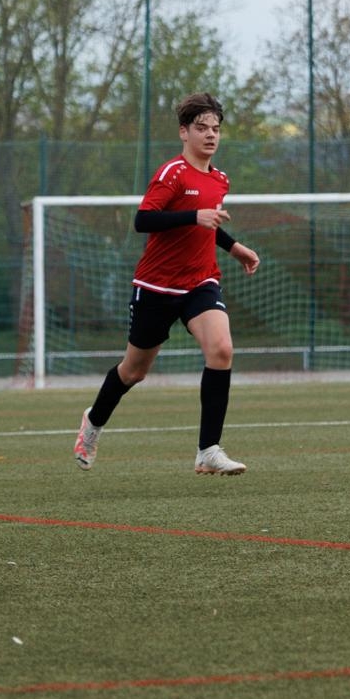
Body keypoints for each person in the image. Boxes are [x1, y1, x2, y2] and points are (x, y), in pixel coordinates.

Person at [72, 92, 261, 475]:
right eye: (202, 128)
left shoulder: (220, 179)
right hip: (156, 287)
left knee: (222, 349)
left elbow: (208, 225)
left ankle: (208, 450)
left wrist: (234, 247)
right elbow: (144, 220)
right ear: (184, 132)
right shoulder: (172, 173)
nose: (210, 135)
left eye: (215, 129)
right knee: (133, 371)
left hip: (200, 282)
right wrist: (194, 216)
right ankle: (93, 422)